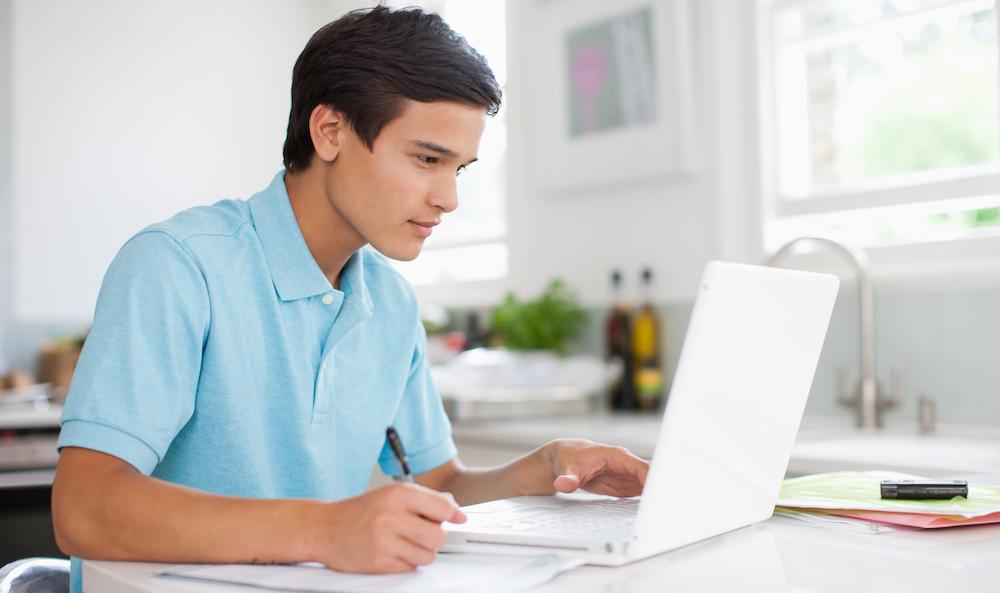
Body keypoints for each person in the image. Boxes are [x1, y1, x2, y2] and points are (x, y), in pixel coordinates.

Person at [51, 6, 649, 593]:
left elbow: (435, 480)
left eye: (460, 169)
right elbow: (83, 508)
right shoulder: (177, 265)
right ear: (330, 131)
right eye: (426, 158)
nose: (448, 198)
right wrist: (326, 529)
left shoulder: (390, 303)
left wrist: (541, 469)